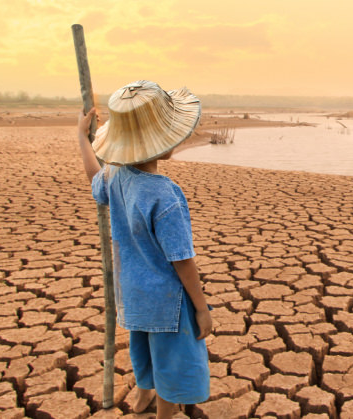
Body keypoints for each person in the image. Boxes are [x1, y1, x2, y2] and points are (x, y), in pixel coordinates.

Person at [77, 80, 211, 419]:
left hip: (132, 292)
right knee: (171, 363)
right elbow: (181, 259)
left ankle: (141, 399)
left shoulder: (116, 175)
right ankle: (164, 414)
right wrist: (201, 307)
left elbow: (96, 177)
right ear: (165, 142)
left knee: (145, 353)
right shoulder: (165, 195)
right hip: (167, 300)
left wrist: (83, 139)